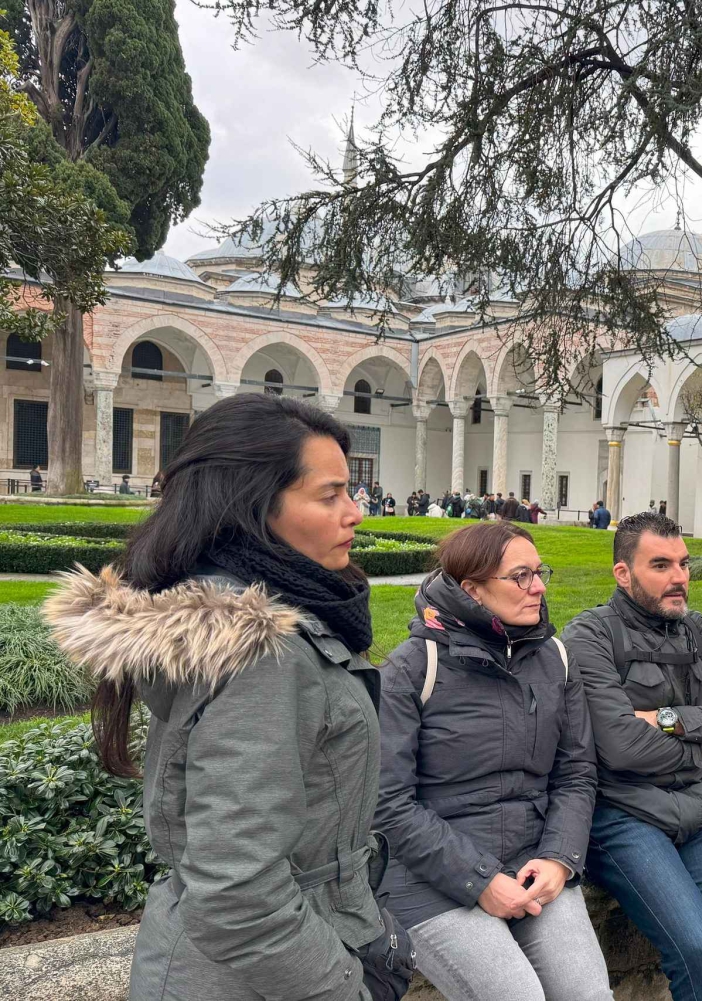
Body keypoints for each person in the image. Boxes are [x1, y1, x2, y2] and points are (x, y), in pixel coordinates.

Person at [41, 393, 414, 1001]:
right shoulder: (260, 653)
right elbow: (237, 895)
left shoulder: (270, 626)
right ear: (253, 506)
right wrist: (347, 987)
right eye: (330, 495)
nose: (356, 513)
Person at [376, 522, 610, 1001]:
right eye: (521, 576)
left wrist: (559, 859)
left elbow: (576, 774)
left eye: (539, 571)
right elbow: (387, 804)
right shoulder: (412, 667)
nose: (540, 587)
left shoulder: (557, 660)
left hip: (531, 861)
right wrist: (479, 880)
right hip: (429, 878)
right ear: (472, 590)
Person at [562, 512, 702, 1001]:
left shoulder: (696, 628)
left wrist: (668, 720)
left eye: (684, 563)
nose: (680, 577)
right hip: (625, 817)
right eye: (661, 565)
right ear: (623, 573)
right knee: (697, 947)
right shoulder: (590, 636)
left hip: (701, 811)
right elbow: (619, 746)